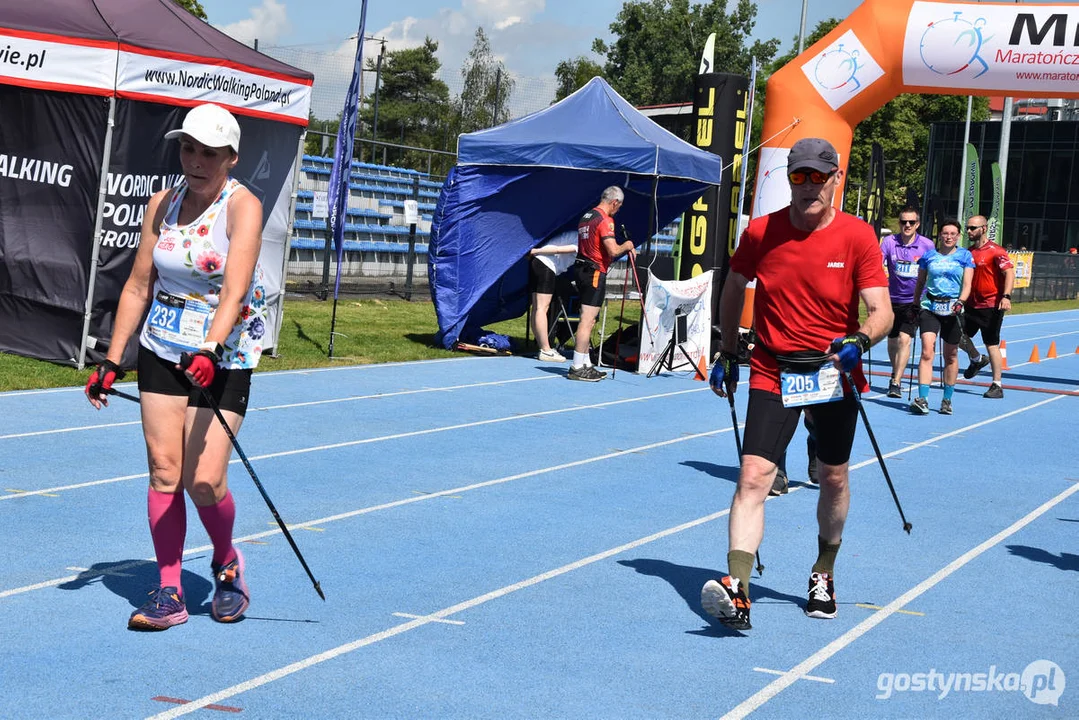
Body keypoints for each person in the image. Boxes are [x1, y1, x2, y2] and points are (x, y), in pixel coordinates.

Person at [84, 103, 267, 630]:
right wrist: (113, 360)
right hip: (163, 345)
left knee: (204, 480)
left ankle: (227, 562)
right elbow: (139, 284)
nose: (196, 160)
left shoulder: (242, 207)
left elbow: (235, 289)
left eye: (209, 153)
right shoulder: (162, 202)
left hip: (223, 352)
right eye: (188, 148)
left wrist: (210, 349)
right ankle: (170, 592)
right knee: (166, 471)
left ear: (231, 158)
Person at [701, 137, 892, 630]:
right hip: (772, 366)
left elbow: (882, 312)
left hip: (832, 369)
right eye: (798, 176)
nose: (807, 186)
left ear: (835, 178)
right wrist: (726, 347)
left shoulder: (858, 236)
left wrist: (860, 341)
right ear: (789, 179)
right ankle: (738, 589)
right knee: (752, 477)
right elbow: (734, 283)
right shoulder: (762, 231)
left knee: (832, 476)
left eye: (817, 176)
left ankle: (824, 571)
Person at [567, 186, 635, 381]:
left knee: (590, 318)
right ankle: (577, 365)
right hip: (594, 271)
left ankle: (586, 361)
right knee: (587, 320)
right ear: (615, 202)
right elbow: (613, 250)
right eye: (618, 207)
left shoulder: (587, 216)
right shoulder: (606, 220)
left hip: (581, 267)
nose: (618, 210)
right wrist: (628, 245)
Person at [908, 220, 973, 415]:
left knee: (950, 355)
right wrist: (915, 303)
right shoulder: (929, 256)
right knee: (927, 351)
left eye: (953, 233)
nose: (948, 237)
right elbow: (920, 282)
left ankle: (947, 399)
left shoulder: (964, 256)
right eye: (945, 233)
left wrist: (961, 301)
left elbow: (968, 284)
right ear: (940, 235)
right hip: (930, 307)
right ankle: (923, 398)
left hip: (953, 307)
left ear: (958, 236)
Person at [879, 207, 934, 398]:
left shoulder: (926, 245)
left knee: (905, 339)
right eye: (903, 222)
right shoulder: (889, 242)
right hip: (891, 299)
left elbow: (933, 269)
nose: (907, 226)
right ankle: (896, 372)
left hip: (914, 300)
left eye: (911, 222)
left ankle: (896, 381)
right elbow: (878, 263)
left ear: (917, 224)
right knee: (892, 340)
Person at [960, 216, 1015, 398]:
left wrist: (1006, 296)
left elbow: (1009, 272)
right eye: (967, 228)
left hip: (991, 305)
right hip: (971, 304)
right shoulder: (968, 253)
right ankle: (976, 359)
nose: (969, 231)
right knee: (958, 337)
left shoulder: (996, 251)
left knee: (991, 344)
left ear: (983, 229)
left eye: (973, 228)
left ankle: (997, 385)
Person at [529, 228, 579, 362]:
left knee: (537, 308)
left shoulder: (573, 233)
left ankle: (542, 347)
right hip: (546, 265)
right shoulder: (580, 239)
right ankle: (546, 349)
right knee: (542, 308)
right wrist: (536, 251)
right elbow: (558, 250)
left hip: (537, 263)